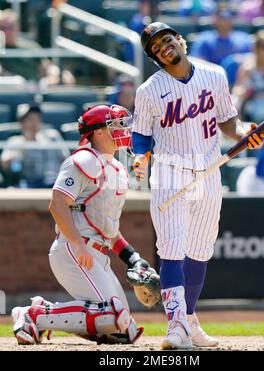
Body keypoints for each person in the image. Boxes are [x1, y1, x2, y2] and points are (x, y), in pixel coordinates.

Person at [132, 22, 264, 350]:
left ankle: (189, 320)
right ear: (155, 57)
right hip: (169, 173)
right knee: (172, 250)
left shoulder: (215, 75)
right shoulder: (149, 90)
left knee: (201, 249)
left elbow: (228, 122)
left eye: (167, 39)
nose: (164, 47)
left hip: (209, 170)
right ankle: (175, 327)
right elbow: (141, 135)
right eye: (156, 47)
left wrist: (247, 131)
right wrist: (139, 158)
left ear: (180, 40)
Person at [11, 103, 160, 345]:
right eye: (115, 124)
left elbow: (107, 227)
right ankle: (31, 316)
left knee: (124, 329)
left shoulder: (117, 169)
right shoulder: (84, 158)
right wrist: (78, 245)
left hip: (98, 253)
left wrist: (133, 258)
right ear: (98, 131)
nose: (123, 129)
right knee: (110, 315)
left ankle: (45, 310)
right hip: (75, 249)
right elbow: (57, 204)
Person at [0, 104, 69, 188]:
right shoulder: (15, 141)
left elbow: (67, 159)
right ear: (21, 122)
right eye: (30, 119)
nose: (34, 122)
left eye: (37, 118)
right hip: (28, 184)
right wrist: (23, 146)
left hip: (54, 181)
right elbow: (5, 166)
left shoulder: (52, 136)